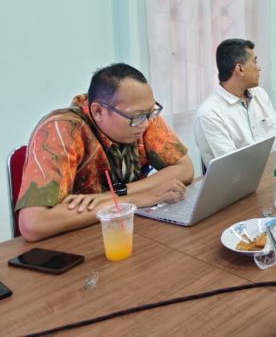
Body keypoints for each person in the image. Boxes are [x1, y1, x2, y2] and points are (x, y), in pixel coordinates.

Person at [16, 64, 194, 242]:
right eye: (137, 116)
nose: (146, 123)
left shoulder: (141, 116)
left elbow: (185, 168)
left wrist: (114, 195)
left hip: (130, 230)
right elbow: (33, 223)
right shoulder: (61, 130)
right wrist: (136, 200)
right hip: (79, 240)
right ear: (99, 111)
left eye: (151, 112)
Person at [194, 39, 276, 168]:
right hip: (246, 179)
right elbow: (233, 169)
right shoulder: (209, 114)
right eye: (254, 61)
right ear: (240, 69)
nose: (259, 68)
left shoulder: (260, 95)